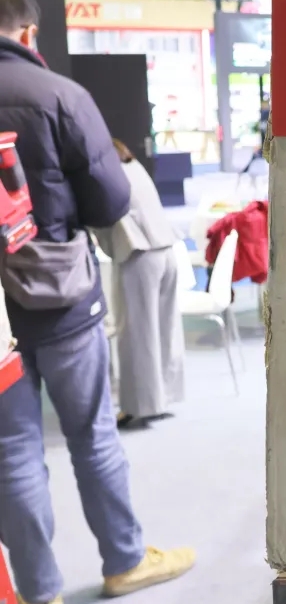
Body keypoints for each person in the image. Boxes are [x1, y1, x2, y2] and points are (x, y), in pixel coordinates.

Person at [0, 0, 194, 604]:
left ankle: (40, 596)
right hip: (60, 295)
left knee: (12, 449)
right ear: (28, 33)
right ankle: (124, 560)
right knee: (91, 433)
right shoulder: (59, 96)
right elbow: (111, 200)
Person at [94, 139, 184, 430]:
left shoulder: (109, 177)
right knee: (164, 330)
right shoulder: (134, 167)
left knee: (137, 335)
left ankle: (140, 407)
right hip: (166, 251)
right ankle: (162, 399)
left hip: (141, 255)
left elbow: (98, 216)